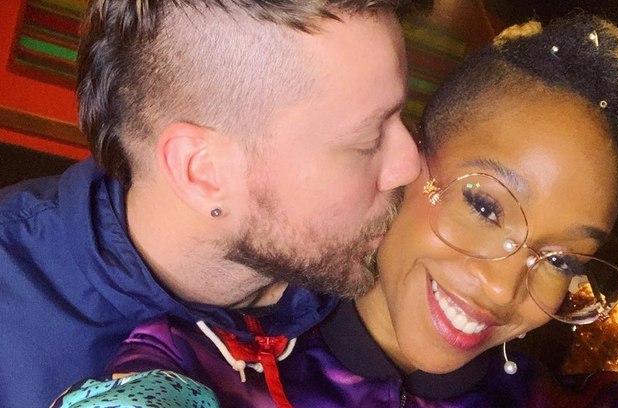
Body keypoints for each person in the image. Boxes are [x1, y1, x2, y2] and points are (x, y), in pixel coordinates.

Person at [52, 13, 618, 408]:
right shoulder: (206, 360)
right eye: (485, 206)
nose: (501, 289)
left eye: (563, 259)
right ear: (411, 161)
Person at [0, 1, 422, 406]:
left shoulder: (389, 254)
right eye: (367, 142)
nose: (410, 166)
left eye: (401, 116)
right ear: (204, 172)